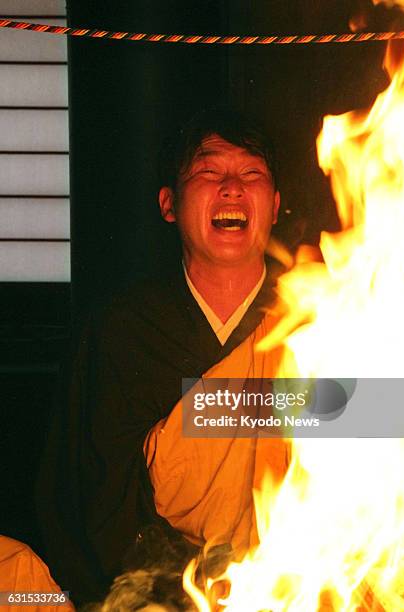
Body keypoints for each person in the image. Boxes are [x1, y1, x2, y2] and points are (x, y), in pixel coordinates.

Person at [36, 107, 285, 605]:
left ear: (276, 205)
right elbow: (91, 499)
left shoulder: (323, 320)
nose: (232, 187)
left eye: (251, 173)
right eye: (209, 171)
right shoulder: (121, 329)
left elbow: (382, 464)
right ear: (169, 204)